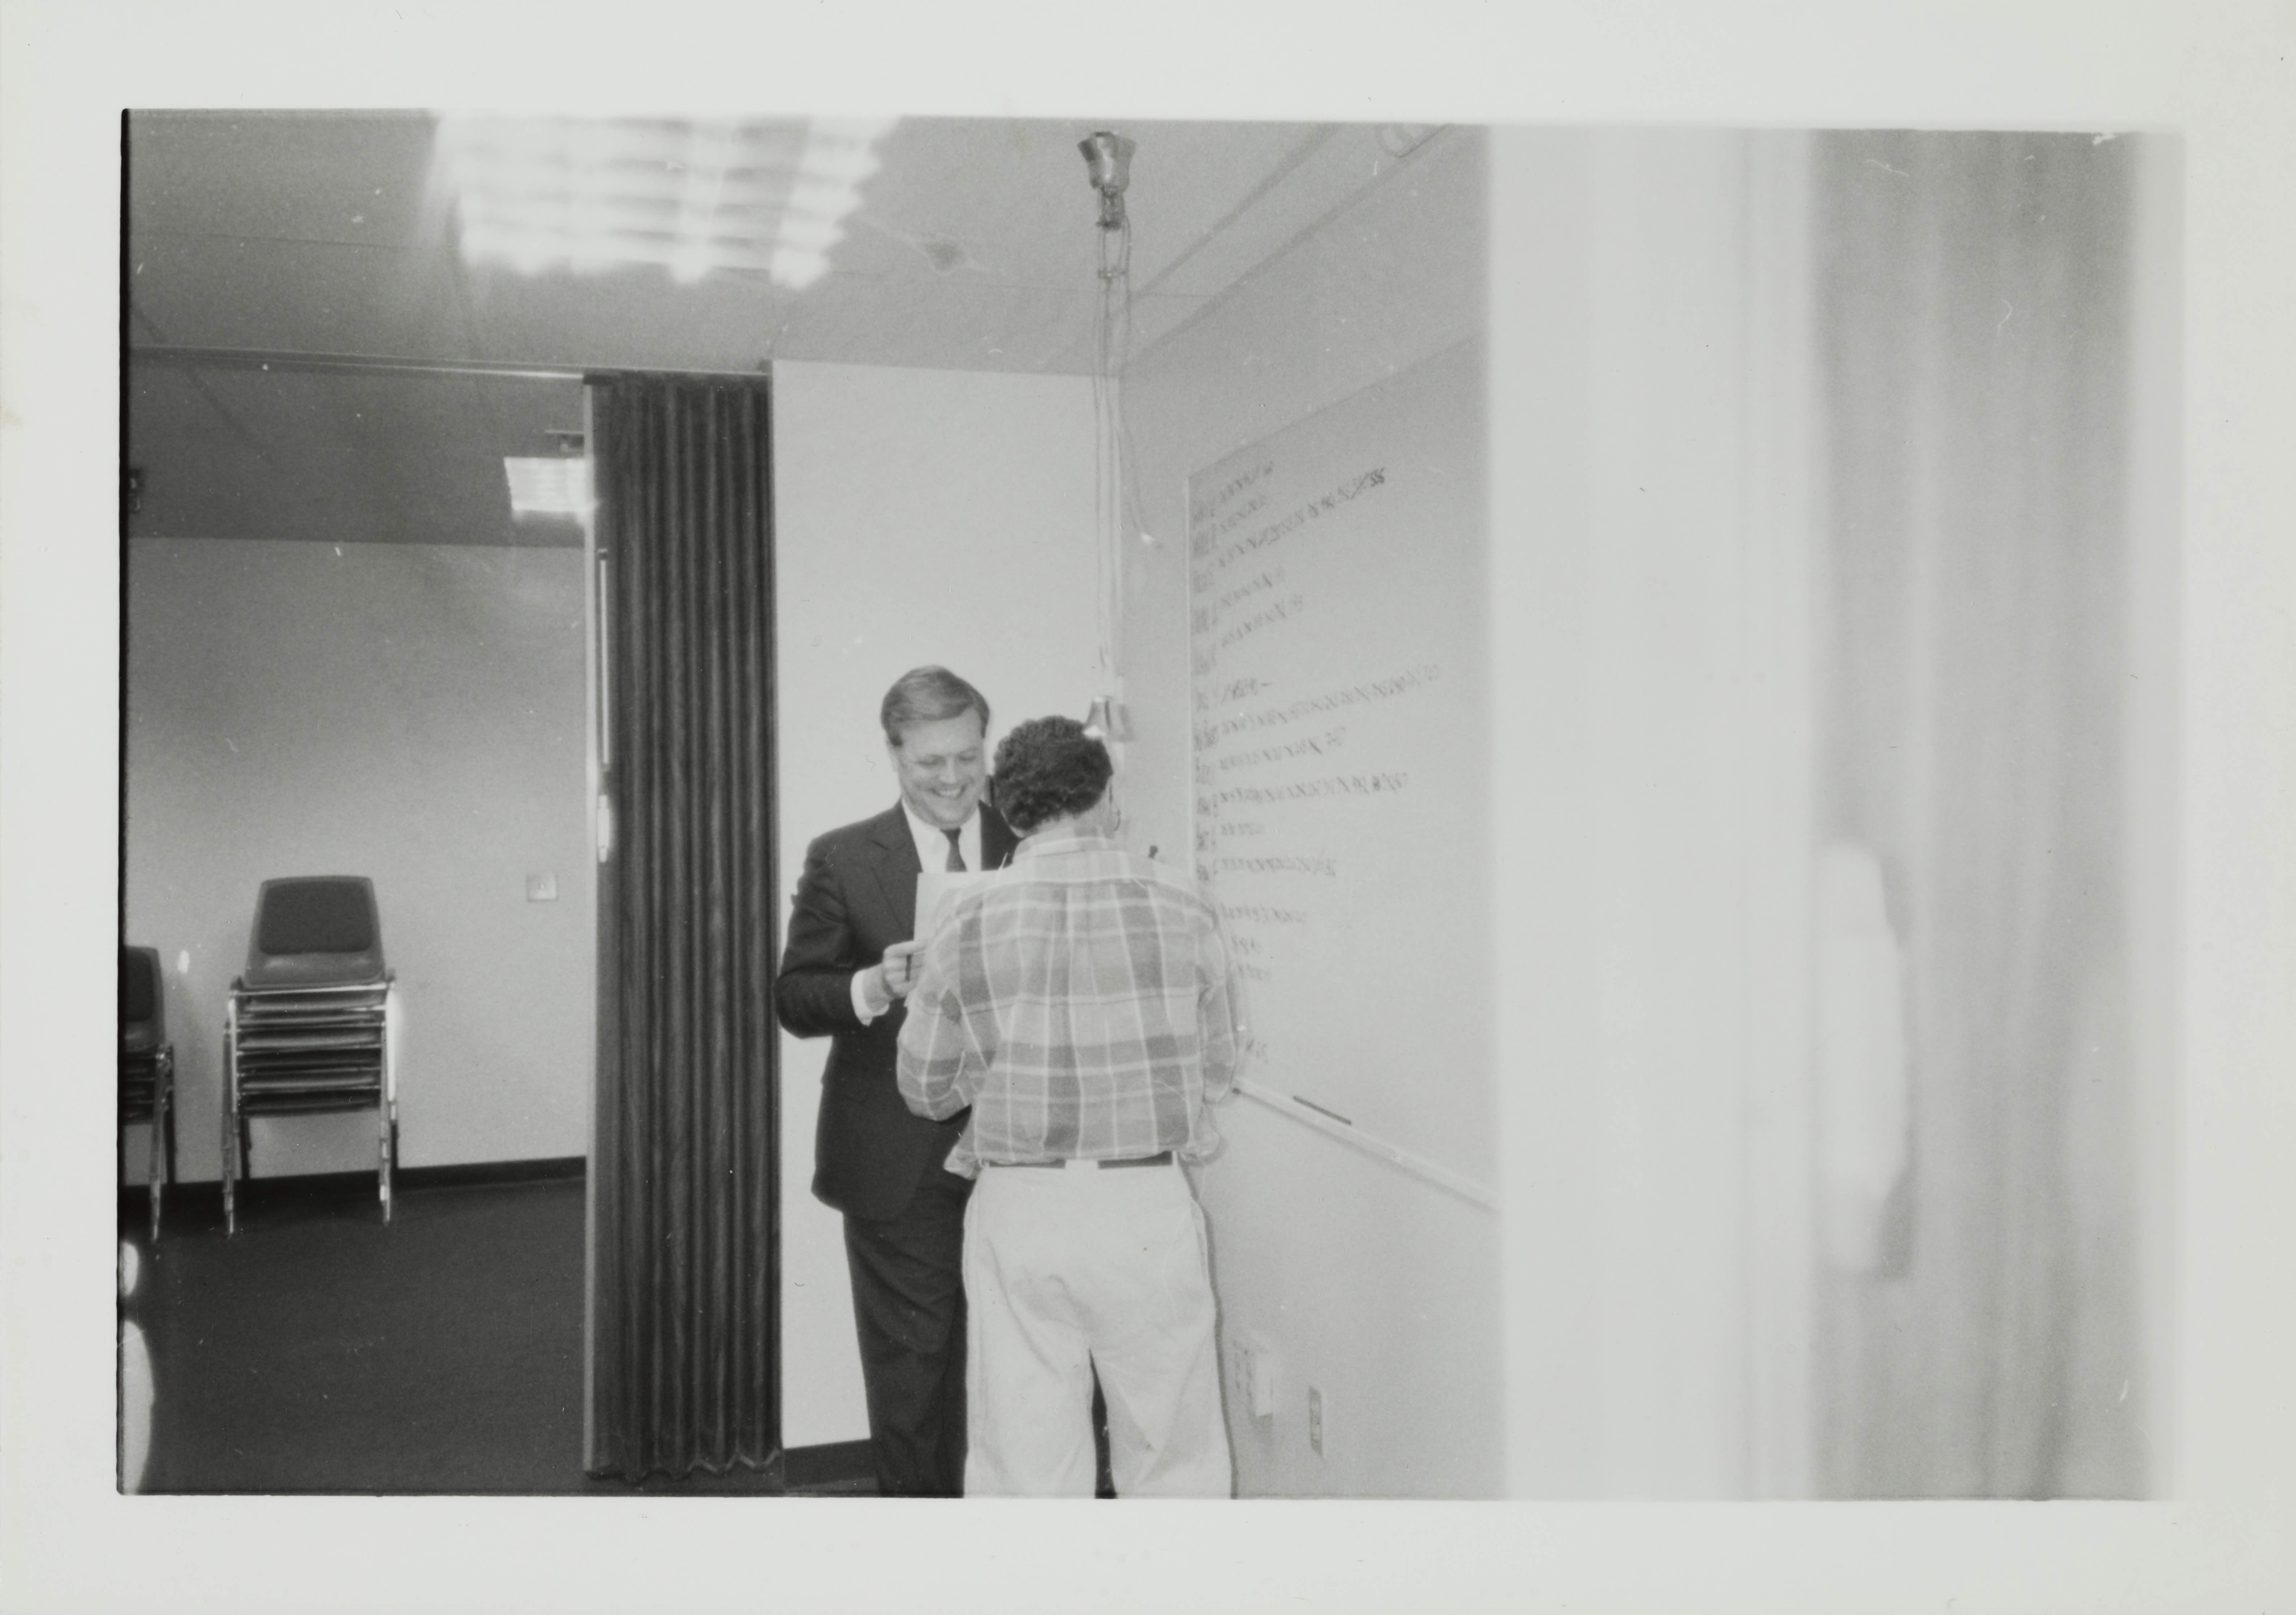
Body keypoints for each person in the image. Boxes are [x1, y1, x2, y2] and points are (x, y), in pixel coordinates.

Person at [897, 716, 1242, 1497]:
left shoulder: (968, 915)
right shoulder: (1187, 901)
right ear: (1106, 798)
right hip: (1144, 1202)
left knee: (1026, 1462)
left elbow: (924, 1089)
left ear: (1006, 810)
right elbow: (1218, 1069)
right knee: (1174, 1457)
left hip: (1022, 1207)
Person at [775, 666, 1018, 1498]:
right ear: (893, 755)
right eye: (928, 765)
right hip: (897, 1158)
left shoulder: (1033, 844)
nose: (952, 781)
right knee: (913, 1378)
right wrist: (874, 986)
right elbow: (795, 998)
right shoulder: (842, 857)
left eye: (967, 758)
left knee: (1019, 1372)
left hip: (1026, 1147)